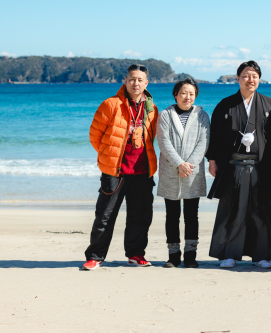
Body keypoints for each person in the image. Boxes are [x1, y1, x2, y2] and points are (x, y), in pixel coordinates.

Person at [82, 64, 160, 270]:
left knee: (140, 216)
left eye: (140, 80)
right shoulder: (111, 104)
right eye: (132, 79)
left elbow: (152, 139)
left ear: (146, 83)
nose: (136, 83)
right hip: (115, 171)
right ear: (125, 81)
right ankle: (95, 256)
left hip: (143, 171)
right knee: (104, 216)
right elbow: (94, 135)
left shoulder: (152, 109)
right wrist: (107, 156)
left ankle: (135, 255)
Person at [207, 60, 271, 268]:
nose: (250, 80)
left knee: (262, 211)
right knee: (233, 211)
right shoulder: (225, 105)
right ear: (238, 78)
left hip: (261, 166)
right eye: (246, 75)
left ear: (259, 79)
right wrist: (212, 161)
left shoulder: (269, 105)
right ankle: (230, 254)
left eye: (254, 76)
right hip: (233, 167)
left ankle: (262, 256)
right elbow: (215, 136)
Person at [156, 77, 210, 268]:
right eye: (184, 93)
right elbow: (163, 141)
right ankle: (173, 255)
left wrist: (189, 165)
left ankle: (190, 255)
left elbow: (204, 142)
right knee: (171, 215)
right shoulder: (165, 115)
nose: (188, 97)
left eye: (192, 94)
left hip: (192, 172)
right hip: (171, 170)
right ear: (176, 95)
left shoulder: (202, 115)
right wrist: (179, 164)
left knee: (191, 215)